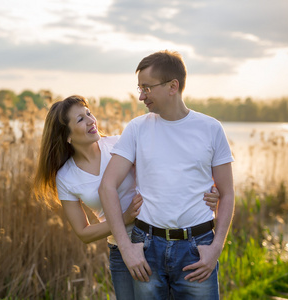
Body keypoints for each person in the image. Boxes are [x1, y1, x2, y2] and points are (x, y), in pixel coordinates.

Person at [33, 95, 221, 300]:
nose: (91, 120)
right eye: (80, 119)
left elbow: (169, 167)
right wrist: (124, 218)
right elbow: (83, 233)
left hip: (155, 241)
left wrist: (211, 188)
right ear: (66, 135)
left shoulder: (118, 144)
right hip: (120, 250)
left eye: (89, 113)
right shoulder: (66, 176)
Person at [99, 51, 235, 300]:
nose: (141, 96)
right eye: (139, 88)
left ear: (173, 86)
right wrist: (127, 248)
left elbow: (227, 194)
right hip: (147, 248)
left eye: (147, 88)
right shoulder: (137, 129)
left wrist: (216, 247)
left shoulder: (211, 129)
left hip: (197, 248)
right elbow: (107, 186)